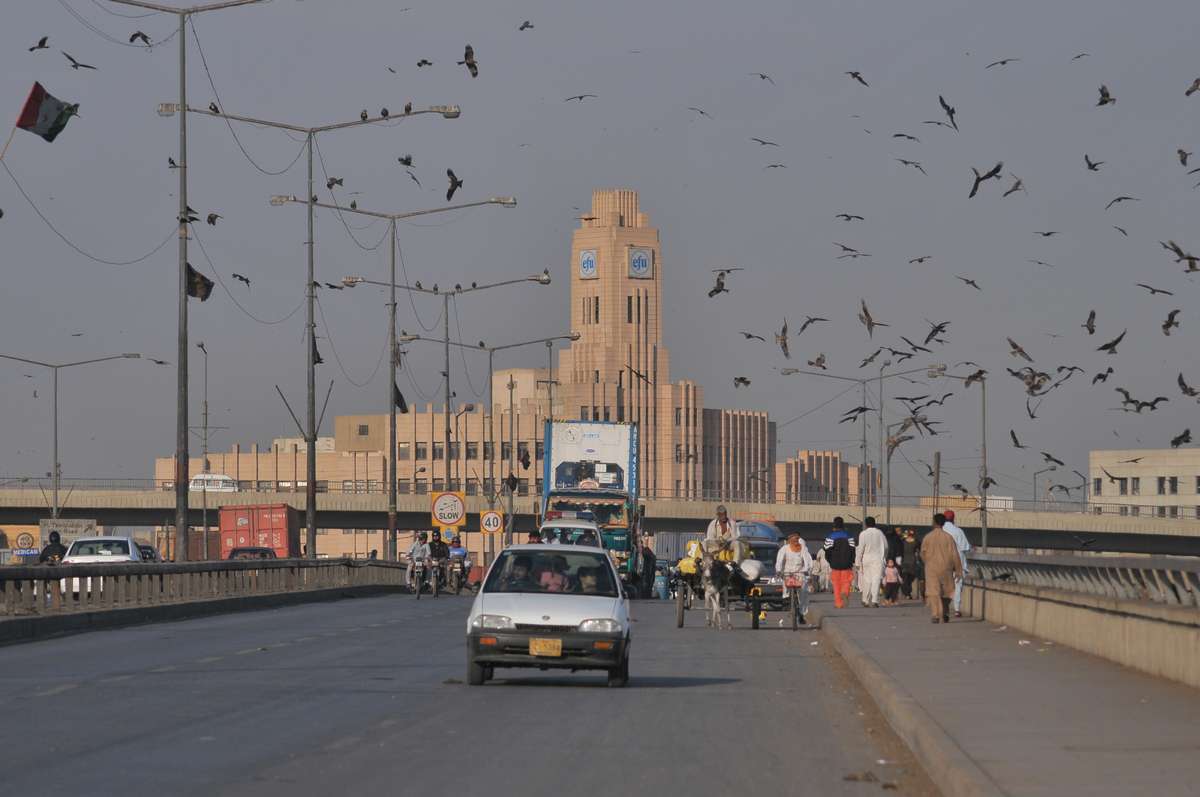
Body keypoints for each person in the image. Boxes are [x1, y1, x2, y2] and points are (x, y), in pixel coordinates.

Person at [920, 513, 964, 623]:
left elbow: (923, 553)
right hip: (946, 568)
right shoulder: (948, 537)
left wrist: (927, 563)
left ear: (934, 522)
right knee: (947, 592)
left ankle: (935, 614)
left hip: (932, 569)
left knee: (933, 592)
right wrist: (958, 570)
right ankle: (944, 612)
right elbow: (955, 554)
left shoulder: (928, 537)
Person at [775, 533, 814, 623]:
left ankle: (802, 613)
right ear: (789, 541)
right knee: (786, 589)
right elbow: (779, 561)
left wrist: (806, 570)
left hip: (800, 573)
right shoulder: (784, 549)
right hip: (787, 573)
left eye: (797, 539)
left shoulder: (803, 549)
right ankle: (788, 602)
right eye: (794, 540)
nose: (796, 542)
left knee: (804, 592)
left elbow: (808, 562)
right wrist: (778, 570)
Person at [941, 509, 971, 618]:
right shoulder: (958, 531)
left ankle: (943, 608)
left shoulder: (940, 531)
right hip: (958, 563)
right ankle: (957, 609)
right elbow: (966, 547)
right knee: (958, 586)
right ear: (953, 519)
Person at [823, 517, 857, 609]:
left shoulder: (830, 537)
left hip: (835, 564)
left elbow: (827, 550)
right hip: (847, 563)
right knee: (846, 581)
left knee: (836, 584)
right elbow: (853, 549)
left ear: (834, 525)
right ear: (843, 525)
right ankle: (845, 592)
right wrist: (852, 560)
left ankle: (838, 603)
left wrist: (830, 560)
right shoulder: (849, 536)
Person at [855, 517, 888, 608]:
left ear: (865, 524)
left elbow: (860, 549)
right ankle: (875, 600)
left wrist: (857, 562)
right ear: (875, 523)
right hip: (878, 559)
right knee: (876, 579)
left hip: (866, 559)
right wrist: (884, 556)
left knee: (867, 579)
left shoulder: (863, 534)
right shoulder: (880, 533)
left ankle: (865, 600)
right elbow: (885, 547)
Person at [900, 529, 919, 600]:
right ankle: (909, 593)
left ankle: (907, 593)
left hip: (904, 561)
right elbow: (918, 551)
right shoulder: (916, 542)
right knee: (911, 578)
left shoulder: (903, 541)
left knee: (905, 578)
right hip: (912, 561)